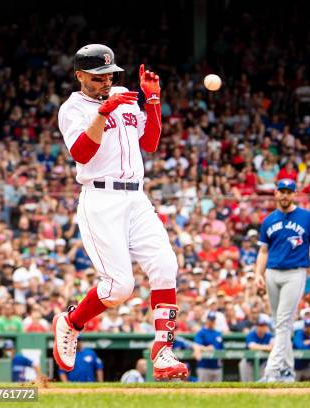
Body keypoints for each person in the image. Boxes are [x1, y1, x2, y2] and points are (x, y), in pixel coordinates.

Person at [53, 43, 187, 380]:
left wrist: (152, 100)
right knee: (119, 287)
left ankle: (163, 352)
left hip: (136, 197)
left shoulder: (125, 94)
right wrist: (101, 113)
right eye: (98, 77)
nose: (106, 81)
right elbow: (82, 154)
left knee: (165, 266)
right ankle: (71, 322)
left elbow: (151, 142)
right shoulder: (73, 109)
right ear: (79, 75)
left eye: (110, 75)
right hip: (100, 199)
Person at [255, 179, 310, 382]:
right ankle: (287, 371)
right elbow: (263, 250)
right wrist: (257, 275)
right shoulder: (269, 219)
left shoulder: (306, 217)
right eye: (282, 191)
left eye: (289, 191)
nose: (285, 195)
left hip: (295, 273)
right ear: (276, 193)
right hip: (271, 273)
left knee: (283, 322)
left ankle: (272, 370)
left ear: (294, 194)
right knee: (281, 325)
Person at [239, 316, 273, 382]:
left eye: (264, 325)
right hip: (248, 362)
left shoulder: (269, 335)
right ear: (256, 326)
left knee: (262, 384)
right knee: (247, 384)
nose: (262, 327)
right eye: (260, 325)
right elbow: (252, 347)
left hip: (262, 363)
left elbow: (273, 347)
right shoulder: (251, 334)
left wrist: (260, 347)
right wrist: (266, 347)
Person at [193, 312, 224, 382]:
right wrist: (206, 348)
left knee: (218, 391)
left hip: (217, 366)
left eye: (213, 320)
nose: (212, 322)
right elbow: (197, 345)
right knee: (202, 390)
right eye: (210, 320)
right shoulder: (201, 332)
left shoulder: (218, 333)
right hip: (204, 366)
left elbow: (221, 348)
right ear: (207, 320)